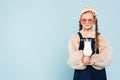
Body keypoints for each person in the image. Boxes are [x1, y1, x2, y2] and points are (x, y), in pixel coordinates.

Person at [67, 5, 112, 80]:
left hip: (98, 74)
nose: (87, 22)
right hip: (82, 74)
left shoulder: (100, 37)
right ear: (80, 21)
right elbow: (72, 56)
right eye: (84, 20)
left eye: (90, 20)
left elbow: (106, 56)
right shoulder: (76, 37)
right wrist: (81, 59)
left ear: (94, 21)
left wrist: (94, 61)